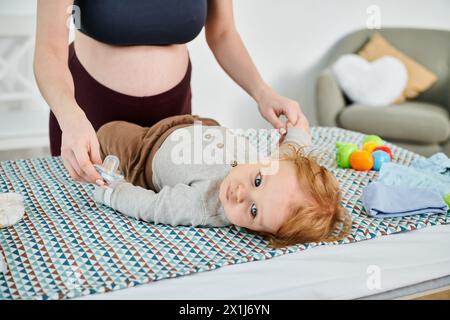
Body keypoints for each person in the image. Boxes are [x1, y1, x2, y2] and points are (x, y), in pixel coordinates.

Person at [34, 0, 310, 186]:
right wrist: (70, 116)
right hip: (88, 111)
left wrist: (264, 93)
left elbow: (223, 32)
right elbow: (49, 49)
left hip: (173, 114)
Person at [93, 115, 351, 247]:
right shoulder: (275, 167)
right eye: (258, 181)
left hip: (145, 149)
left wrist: (111, 192)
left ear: (259, 231)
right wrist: (297, 131)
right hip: (197, 123)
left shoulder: (202, 205)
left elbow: (151, 206)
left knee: (108, 130)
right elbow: (290, 151)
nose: (241, 194)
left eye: (253, 211)